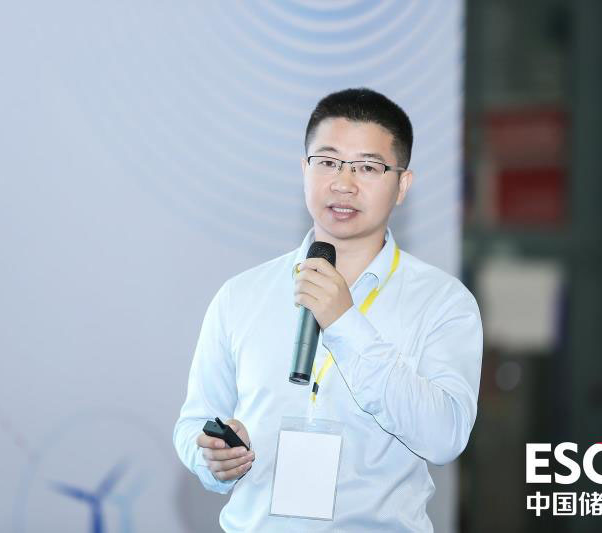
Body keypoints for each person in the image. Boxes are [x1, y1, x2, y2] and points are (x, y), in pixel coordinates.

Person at [173, 88, 482, 532]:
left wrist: (344, 322)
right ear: (304, 170)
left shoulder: (443, 302)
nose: (343, 183)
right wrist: (212, 457)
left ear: (402, 185)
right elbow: (194, 424)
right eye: (328, 162)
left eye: (367, 167)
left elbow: (445, 435)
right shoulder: (241, 295)